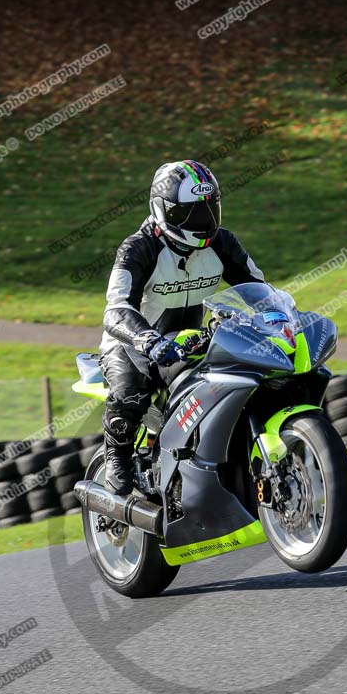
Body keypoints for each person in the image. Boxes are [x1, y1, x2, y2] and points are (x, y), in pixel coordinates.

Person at [99, 160, 265, 495]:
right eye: (188, 213)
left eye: (207, 209)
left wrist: (276, 318)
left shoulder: (223, 243)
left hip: (188, 342)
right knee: (130, 393)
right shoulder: (138, 248)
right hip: (132, 343)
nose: (201, 222)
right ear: (162, 210)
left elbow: (260, 290)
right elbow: (116, 309)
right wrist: (148, 340)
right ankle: (117, 456)